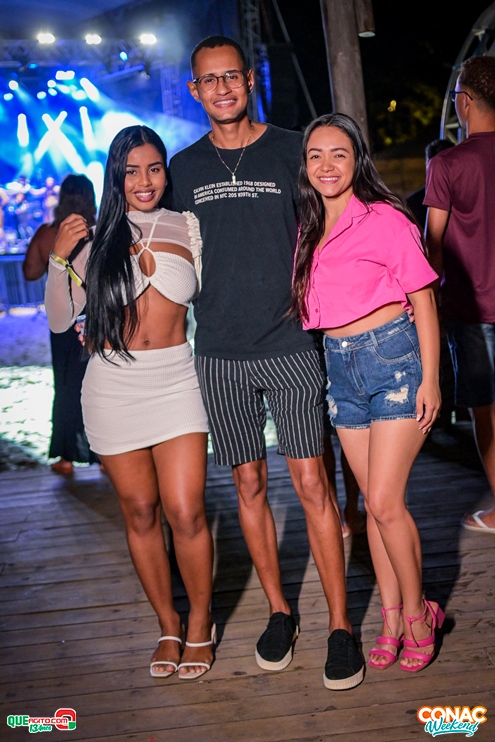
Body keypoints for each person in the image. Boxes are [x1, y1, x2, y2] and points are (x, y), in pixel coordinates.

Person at [170, 35, 364, 690]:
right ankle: (281, 613)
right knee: (248, 485)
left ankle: (340, 625)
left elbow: (340, 220)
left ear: (250, 80)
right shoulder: (182, 168)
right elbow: (158, 250)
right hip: (219, 353)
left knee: (313, 485)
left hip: (289, 344)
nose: (222, 88)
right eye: (209, 80)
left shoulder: (291, 149)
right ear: (194, 91)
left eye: (232, 76)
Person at [44, 126, 215, 680]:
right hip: (114, 388)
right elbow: (59, 319)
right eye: (131, 170)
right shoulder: (94, 238)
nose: (144, 181)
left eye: (154, 168)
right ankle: (168, 624)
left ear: (167, 172)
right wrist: (59, 259)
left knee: (186, 510)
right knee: (140, 512)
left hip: (178, 381)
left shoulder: (189, 226)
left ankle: (201, 624)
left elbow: (218, 299)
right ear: (116, 176)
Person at [292, 112, 444, 673]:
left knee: (383, 501)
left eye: (339, 153)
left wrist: (432, 378)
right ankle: (391, 615)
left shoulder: (385, 219)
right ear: (305, 166)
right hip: (340, 367)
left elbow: (424, 299)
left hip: (394, 361)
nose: (327, 165)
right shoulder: (308, 228)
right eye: (315, 155)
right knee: (374, 514)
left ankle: (419, 616)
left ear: (357, 159)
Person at [425, 55, 495, 535]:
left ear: (464, 101)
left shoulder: (447, 163)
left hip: (473, 309)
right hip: (474, 310)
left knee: (485, 413)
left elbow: (432, 246)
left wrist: (424, 304)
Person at [23, 174, 99, 474]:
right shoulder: (102, 232)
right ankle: (105, 456)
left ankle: (66, 457)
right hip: (98, 318)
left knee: (66, 386)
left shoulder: (48, 233)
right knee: (101, 384)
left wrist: (53, 258)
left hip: (64, 319)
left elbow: (29, 272)